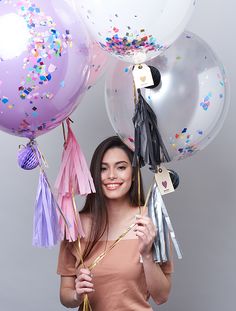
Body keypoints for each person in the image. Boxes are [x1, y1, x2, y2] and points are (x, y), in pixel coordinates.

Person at [57, 136, 173, 310]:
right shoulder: (76, 225)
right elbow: (65, 295)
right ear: (95, 175)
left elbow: (161, 296)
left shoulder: (150, 221)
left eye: (121, 167)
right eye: (103, 169)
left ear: (133, 174)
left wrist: (147, 255)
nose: (111, 176)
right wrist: (76, 295)